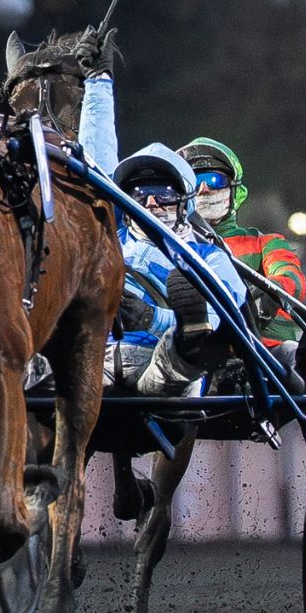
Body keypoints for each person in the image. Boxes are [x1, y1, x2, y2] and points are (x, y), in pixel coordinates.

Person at [74, 32, 247, 395]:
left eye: (163, 194)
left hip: (161, 368)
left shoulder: (208, 256)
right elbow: (95, 162)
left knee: (188, 343)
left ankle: (185, 334)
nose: (151, 203)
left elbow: (228, 320)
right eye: (140, 195)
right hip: (93, 364)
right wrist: (97, 82)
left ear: (185, 201)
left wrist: (153, 319)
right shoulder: (110, 238)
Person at [177, 137, 306, 349]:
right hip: (196, 351)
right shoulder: (170, 249)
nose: (204, 189)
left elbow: (291, 276)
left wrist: (272, 290)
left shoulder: (266, 244)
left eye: (214, 180)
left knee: (292, 353)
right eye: (194, 181)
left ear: (236, 191)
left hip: (265, 351)